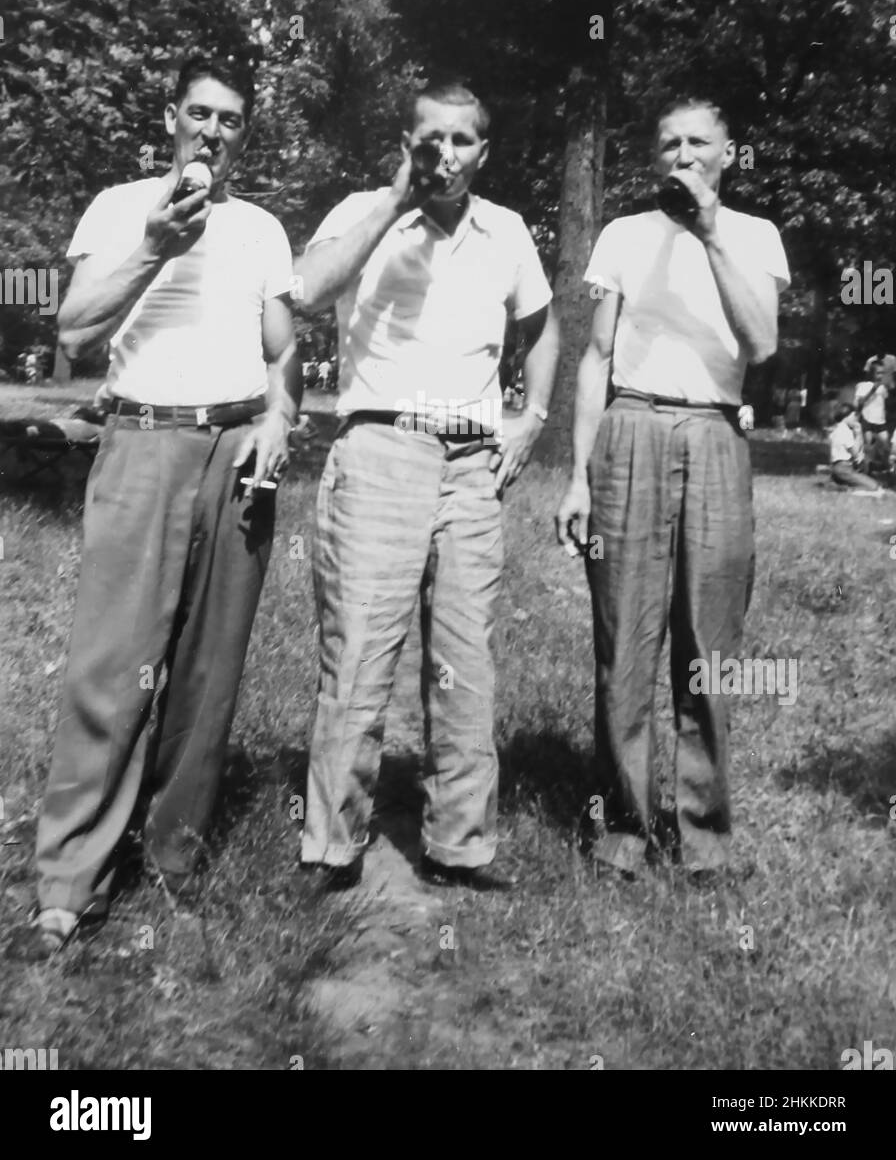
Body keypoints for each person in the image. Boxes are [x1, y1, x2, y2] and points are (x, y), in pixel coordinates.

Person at [14, 53, 302, 960]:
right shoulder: (118, 205)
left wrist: (282, 416)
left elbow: (280, 350)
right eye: (200, 114)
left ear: (241, 133)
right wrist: (154, 246)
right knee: (114, 660)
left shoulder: (260, 228)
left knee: (209, 667)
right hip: (140, 441)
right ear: (172, 115)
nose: (213, 131)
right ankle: (69, 878)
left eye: (231, 120)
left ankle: (172, 853)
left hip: (235, 446)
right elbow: (72, 329)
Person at [292, 81, 558, 890]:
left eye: (463, 141)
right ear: (406, 140)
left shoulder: (507, 230)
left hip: (472, 462)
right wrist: (393, 202)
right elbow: (306, 292)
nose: (446, 154)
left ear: (485, 150)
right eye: (431, 138)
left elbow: (540, 328)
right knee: (361, 651)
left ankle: (460, 845)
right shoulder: (361, 211)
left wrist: (533, 416)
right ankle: (333, 845)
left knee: (464, 655)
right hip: (381, 448)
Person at [556, 97, 789, 880]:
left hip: (717, 434)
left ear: (728, 152)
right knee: (625, 642)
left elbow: (760, 341)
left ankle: (706, 842)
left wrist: (711, 228)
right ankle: (621, 833)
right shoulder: (624, 235)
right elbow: (595, 356)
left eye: (699, 142)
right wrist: (580, 475)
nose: (683, 153)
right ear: (653, 157)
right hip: (632, 430)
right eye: (669, 144)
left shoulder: (755, 236)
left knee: (709, 647)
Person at [829, 403, 884, 492]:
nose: (855, 418)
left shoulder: (837, 429)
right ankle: (846, 490)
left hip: (838, 467)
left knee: (872, 484)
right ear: (846, 416)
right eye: (853, 415)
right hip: (844, 468)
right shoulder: (845, 431)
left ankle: (839, 485)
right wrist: (858, 434)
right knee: (876, 488)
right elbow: (855, 453)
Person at [854, 358, 889, 475]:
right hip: (867, 419)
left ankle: (883, 467)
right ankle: (866, 469)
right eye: (878, 373)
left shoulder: (883, 388)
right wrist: (873, 390)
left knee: (884, 444)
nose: (880, 375)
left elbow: (884, 402)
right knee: (868, 446)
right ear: (872, 373)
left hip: (880, 420)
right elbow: (859, 402)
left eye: (882, 373)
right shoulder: (864, 386)